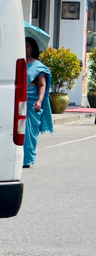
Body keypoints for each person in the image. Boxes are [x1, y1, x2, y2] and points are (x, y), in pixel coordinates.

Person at [23, 37, 53, 168]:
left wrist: (39, 101)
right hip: (16, 99)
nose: (25, 48)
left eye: (27, 46)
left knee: (29, 132)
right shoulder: (17, 63)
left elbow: (42, 85)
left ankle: (27, 159)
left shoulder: (38, 66)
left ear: (33, 48)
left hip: (31, 102)